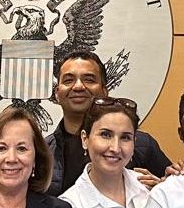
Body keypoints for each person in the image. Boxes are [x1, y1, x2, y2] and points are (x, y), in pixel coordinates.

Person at [46, 52, 171, 195]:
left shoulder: (142, 145)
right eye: (68, 80)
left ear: (104, 91)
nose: (78, 86)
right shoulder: (42, 151)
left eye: (89, 80)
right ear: (57, 93)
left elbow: (175, 197)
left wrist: (162, 190)